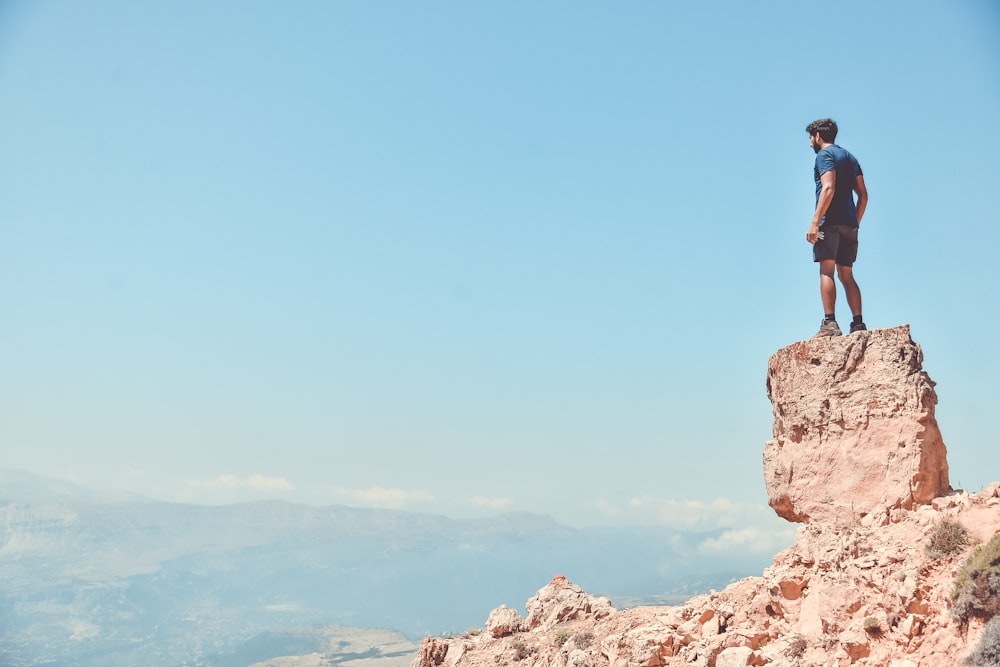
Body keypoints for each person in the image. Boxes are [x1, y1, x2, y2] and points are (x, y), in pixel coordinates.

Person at [805, 118, 869, 337]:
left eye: (810, 138)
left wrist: (815, 221)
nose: (810, 143)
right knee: (847, 274)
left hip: (829, 223)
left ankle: (830, 323)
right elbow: (863, 194)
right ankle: (858, 323)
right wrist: (855, 221)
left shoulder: (824, 156)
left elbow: (828, 187)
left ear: (818, 136)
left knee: (827, 271)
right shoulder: (850, 157)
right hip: (850, 224)